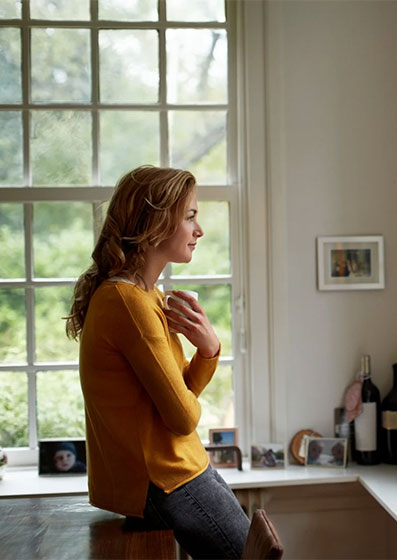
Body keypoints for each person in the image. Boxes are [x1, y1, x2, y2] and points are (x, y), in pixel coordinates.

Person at [65, 166, 250, 559]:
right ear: (154, 223)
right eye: (190, 217)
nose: (199, 230)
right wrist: (206, 356)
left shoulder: (145, 297)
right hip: (166, 480)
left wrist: (207, 350)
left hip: (178, 471)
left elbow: (175, 397)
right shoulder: (128, 303)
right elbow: (182, 416)